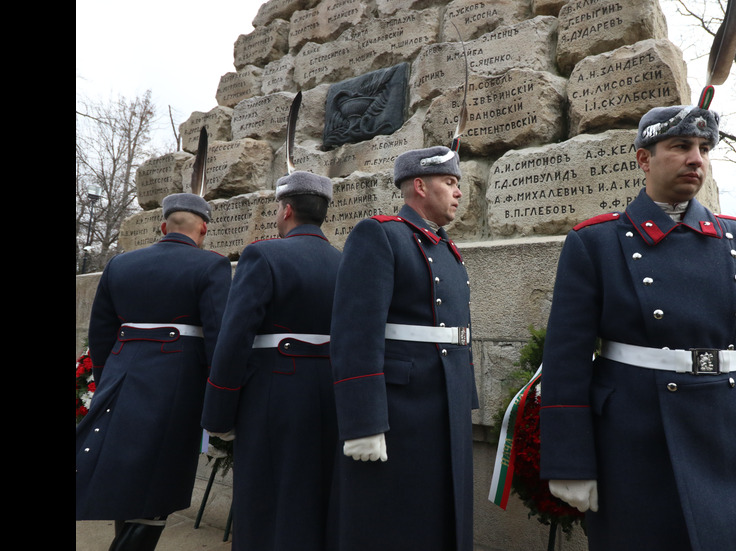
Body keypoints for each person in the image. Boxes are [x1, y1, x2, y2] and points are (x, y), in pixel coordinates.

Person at [539, 105, 736, 550]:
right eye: (680, 146)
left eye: (704, 148)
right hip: (635, 445)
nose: (697, 158)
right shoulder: (595, 243)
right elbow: (566, 360)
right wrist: (569, 460)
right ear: (643, 159)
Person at [329, 145, 478, 551]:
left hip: (444, 399)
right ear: (419, 186)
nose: (458, 192)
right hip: (401, 406)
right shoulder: (380, 234)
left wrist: (464, 396)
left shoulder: (445, 245)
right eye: (449, 182)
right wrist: (363, 420)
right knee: (395, 518)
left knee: (442, 514)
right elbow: (356, 331)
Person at [76, 192, 231, 550]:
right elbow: (219, 336)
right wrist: (218, 394)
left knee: (128, 477)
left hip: (121, 377)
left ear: (162, 226)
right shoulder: (211, 266)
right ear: (203, 230)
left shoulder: (120, 264)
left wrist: (107, 378)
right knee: (161, 478)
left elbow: (101, 333)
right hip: (178, 384)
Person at [201, 171, 341, 550]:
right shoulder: (343, 263)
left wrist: (218, 417)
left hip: (273, 398)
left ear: (287, 210)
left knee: (265, 505)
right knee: (317, 501)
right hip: (331, 396)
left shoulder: (262, 254)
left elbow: (234, 339)